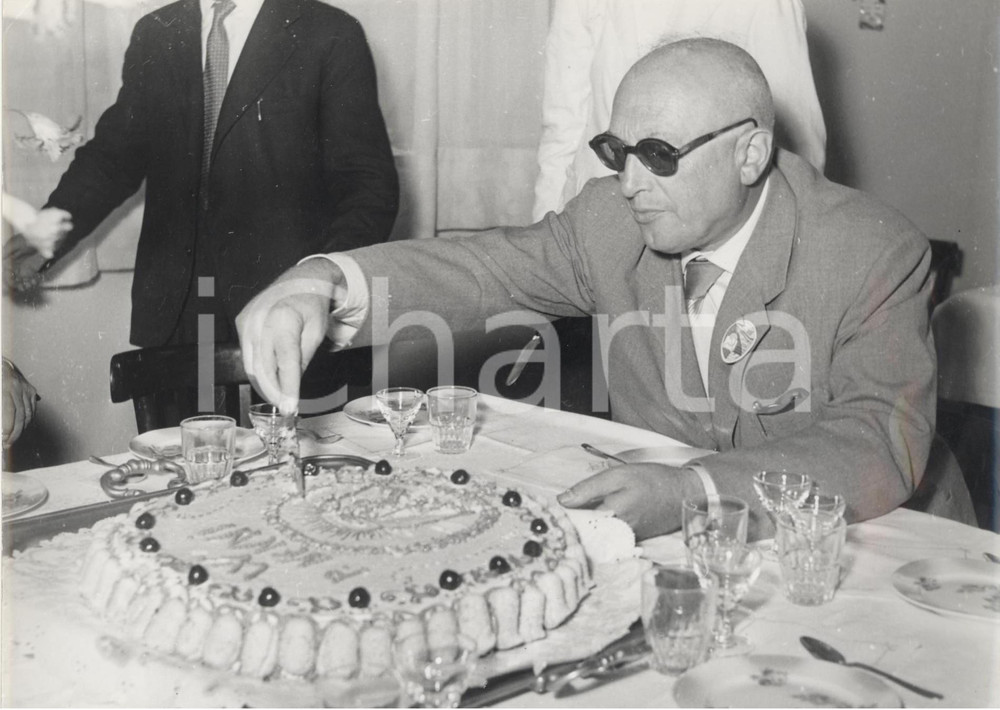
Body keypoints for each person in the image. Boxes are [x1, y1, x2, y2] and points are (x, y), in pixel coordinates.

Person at [236, 38, 972, 539]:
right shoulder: (611, 221)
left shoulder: (872, 249)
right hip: (687, 545)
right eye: (617, 153)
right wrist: (324, 278)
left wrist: (693, 492)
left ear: (750, 152)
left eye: (659, 155)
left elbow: (879, 439)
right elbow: (486, 268)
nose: (629, 184)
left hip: (869, 537)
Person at [3, 0, 399, 347]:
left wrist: (320, 282)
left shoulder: (330, 33)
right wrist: (47, 230)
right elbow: (114, 156)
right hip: (176, 315)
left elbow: (368, 185)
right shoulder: (156, 32)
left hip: (287, 309)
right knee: (176, 437)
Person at [532, 0, 827, 221]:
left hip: (703, 228)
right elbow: (562, 128)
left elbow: (799, 150)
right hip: (598, 214)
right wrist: (545, 228)